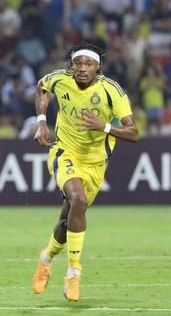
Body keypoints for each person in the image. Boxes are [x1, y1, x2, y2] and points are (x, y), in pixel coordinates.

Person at [32, 42, 140, 301]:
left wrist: (103, 126)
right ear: (72, 65)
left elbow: (133, 133)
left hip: (95, 163)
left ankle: (46, 258)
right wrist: (41, 122)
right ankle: (73, 274)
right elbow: (42, 87)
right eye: (77, 63)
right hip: (65, 152)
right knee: (78, 199)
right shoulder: (61, 79)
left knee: (68, 219)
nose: (82, 68)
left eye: (88, 64)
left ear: (98, 67)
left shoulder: (111, 91)